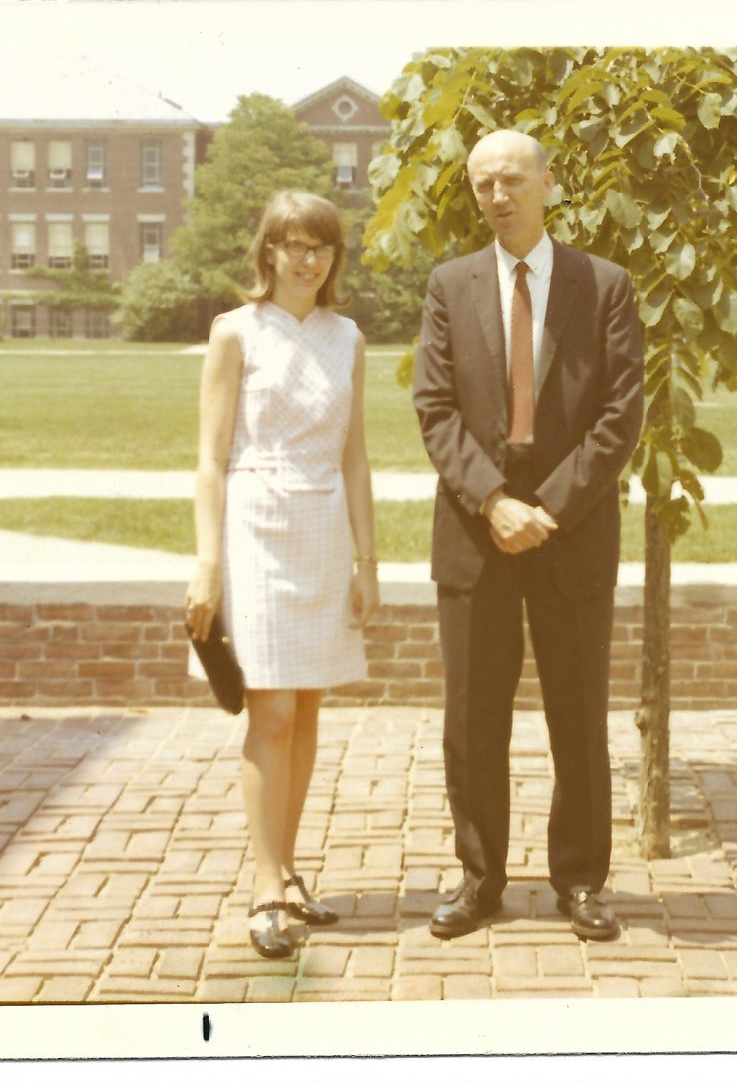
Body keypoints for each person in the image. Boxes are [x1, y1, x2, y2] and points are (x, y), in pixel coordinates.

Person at [411, 129, 645, 942]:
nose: (499, 195)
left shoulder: (603, 285)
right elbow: (434, 410)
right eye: (483, 184)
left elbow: (621, 415)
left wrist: (547, 505)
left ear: (550, 182)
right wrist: (492, 502)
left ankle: (581, 879)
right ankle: (480, 877)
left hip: (570, 530)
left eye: (513, 178)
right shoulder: (449, 285)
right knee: (472, 717)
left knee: (577, 713)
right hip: (476, 535)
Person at [185, 191, 378, 959]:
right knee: (268, 713)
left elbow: (355, 455)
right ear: (267, 251)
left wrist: (370, 563)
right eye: (292, 245)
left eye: (321, 247)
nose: (307, 260)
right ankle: (265, 883)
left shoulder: (349, 337)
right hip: (256, 528)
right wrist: (207, 565)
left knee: (305, 713)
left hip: (324, 530)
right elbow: (209, 456)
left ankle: (290, 870)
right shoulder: (235, 332)